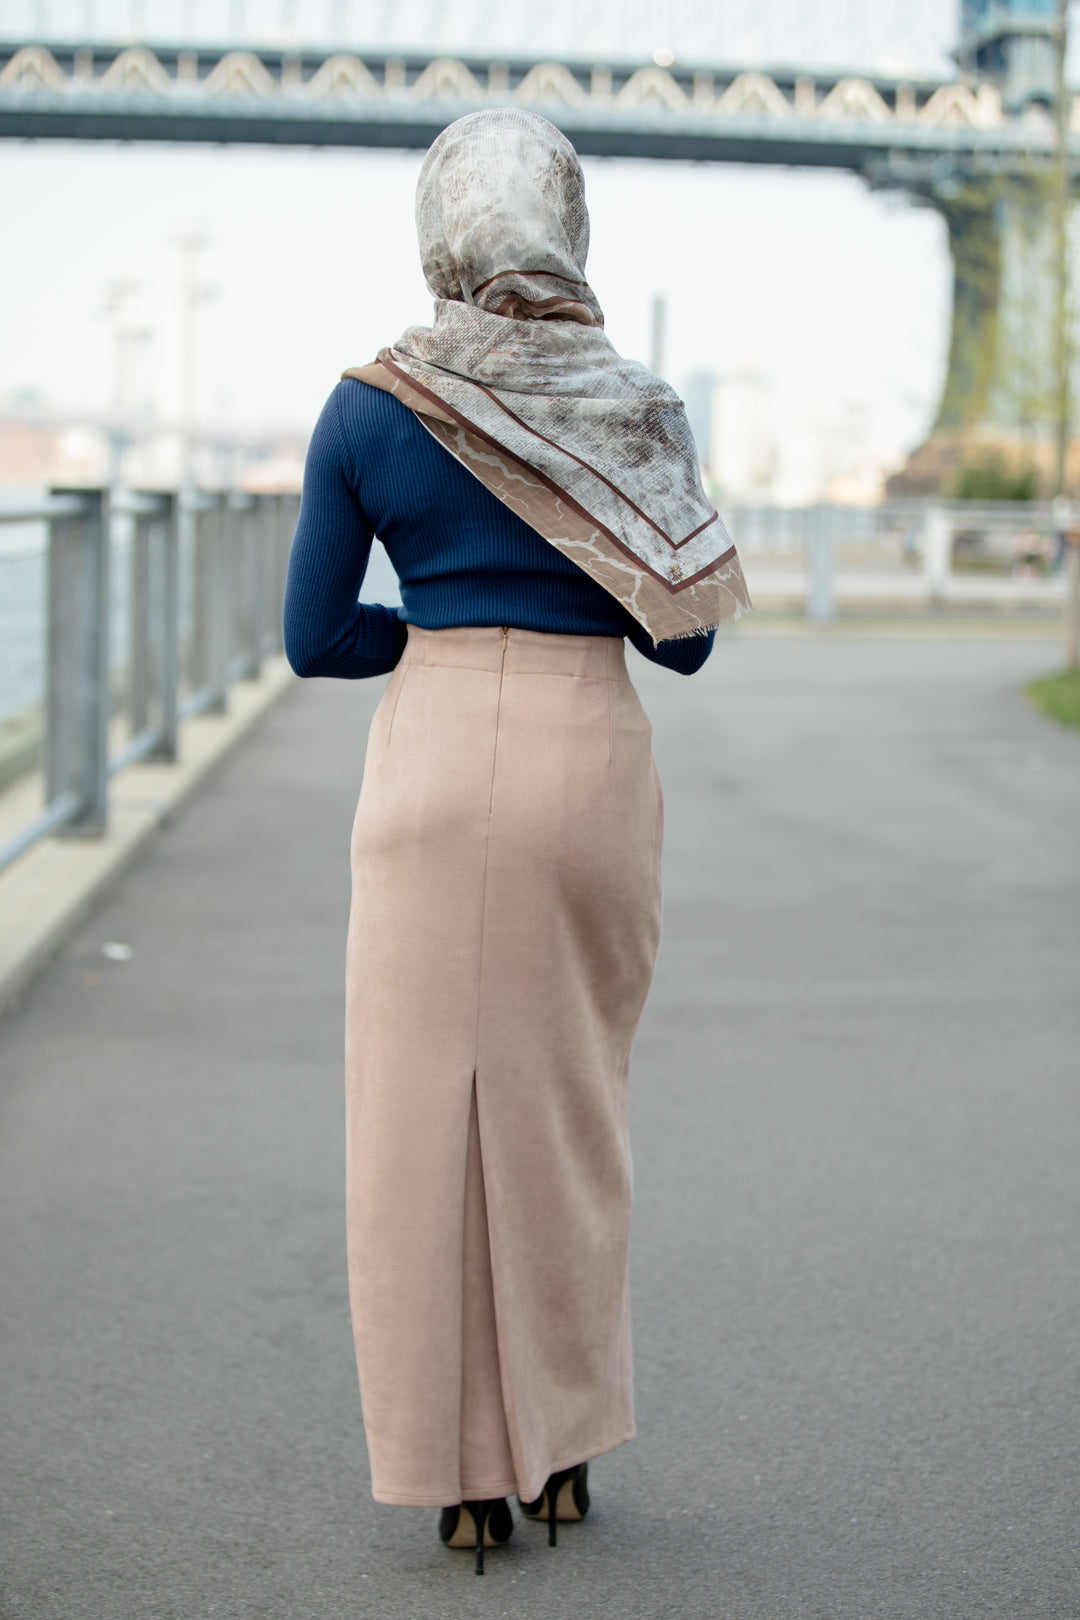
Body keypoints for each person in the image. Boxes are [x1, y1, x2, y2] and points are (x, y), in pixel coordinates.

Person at [282, 107, 749, 1575]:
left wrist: (434, 634)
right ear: (568, 224)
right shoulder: (633, 404)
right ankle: (562, 1458)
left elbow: (310, 638)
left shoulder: (371, 405)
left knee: (416, 1127)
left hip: (428, 757)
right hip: (583, 761)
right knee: (567, 1111)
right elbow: (683, 646)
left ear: (441, 228)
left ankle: (457, 1481)